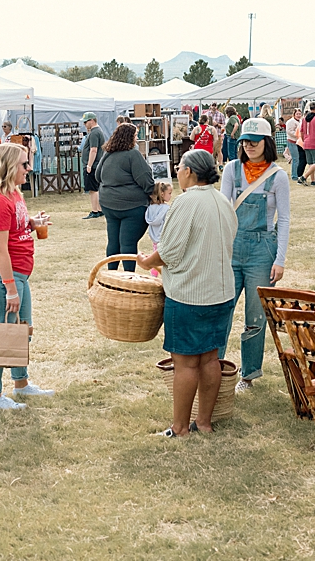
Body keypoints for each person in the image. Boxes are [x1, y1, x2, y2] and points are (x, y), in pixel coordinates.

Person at [137, 149, 237, 437]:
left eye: (179, 167)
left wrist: (146, 262)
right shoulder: (222, 201)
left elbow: (168, 252)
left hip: (190, 295)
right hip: (221, 292)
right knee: (210, 358)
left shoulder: (186, 202)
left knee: (185, 363)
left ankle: (180, 427)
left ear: (190, 172)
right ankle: (204, 422)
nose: (176, 171)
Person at [0, 143, 54, 410]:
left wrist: (30, 223)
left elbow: (14, 229)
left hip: (17, 273)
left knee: (21, 331)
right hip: (0, 275)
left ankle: (21, 384)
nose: (28, 168)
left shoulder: (14, 193)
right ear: (9, 166)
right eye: (23, 164)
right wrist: (10, 289)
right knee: (1, 333)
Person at [218, 118, 290, 392]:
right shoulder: (231, 170)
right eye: (245, 141)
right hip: (232, 247)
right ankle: (215, 365)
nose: (248, 146)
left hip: (262, 250)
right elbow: (224, 211)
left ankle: (248, 375)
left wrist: (280, 259)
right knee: (221, 306)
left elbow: (283, 220)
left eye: (254, 141)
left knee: (255, 316)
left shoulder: (278, 176)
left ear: (267, 143)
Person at [96, 122, 156, 260]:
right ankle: (128, 277)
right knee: (128, 243)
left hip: (108, 203)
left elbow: (97, 176)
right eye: (135, 135)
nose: (136, 138)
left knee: (113, 242)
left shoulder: (108, 153)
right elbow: (145, 180)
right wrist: (153, 194)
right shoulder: (133, 154)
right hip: (132, 206)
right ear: (129, 137)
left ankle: (111, 276)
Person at [80, 113, 107, 220]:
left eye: (86, 122)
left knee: (92, 189)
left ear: (92, 120)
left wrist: (89, 165)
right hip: (96, 164)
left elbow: (93, 149)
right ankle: (99, 210)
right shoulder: (97, 132)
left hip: (93, 164)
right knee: (96, 188)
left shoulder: (95, 133)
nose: (84, 124)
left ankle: (95, 211)